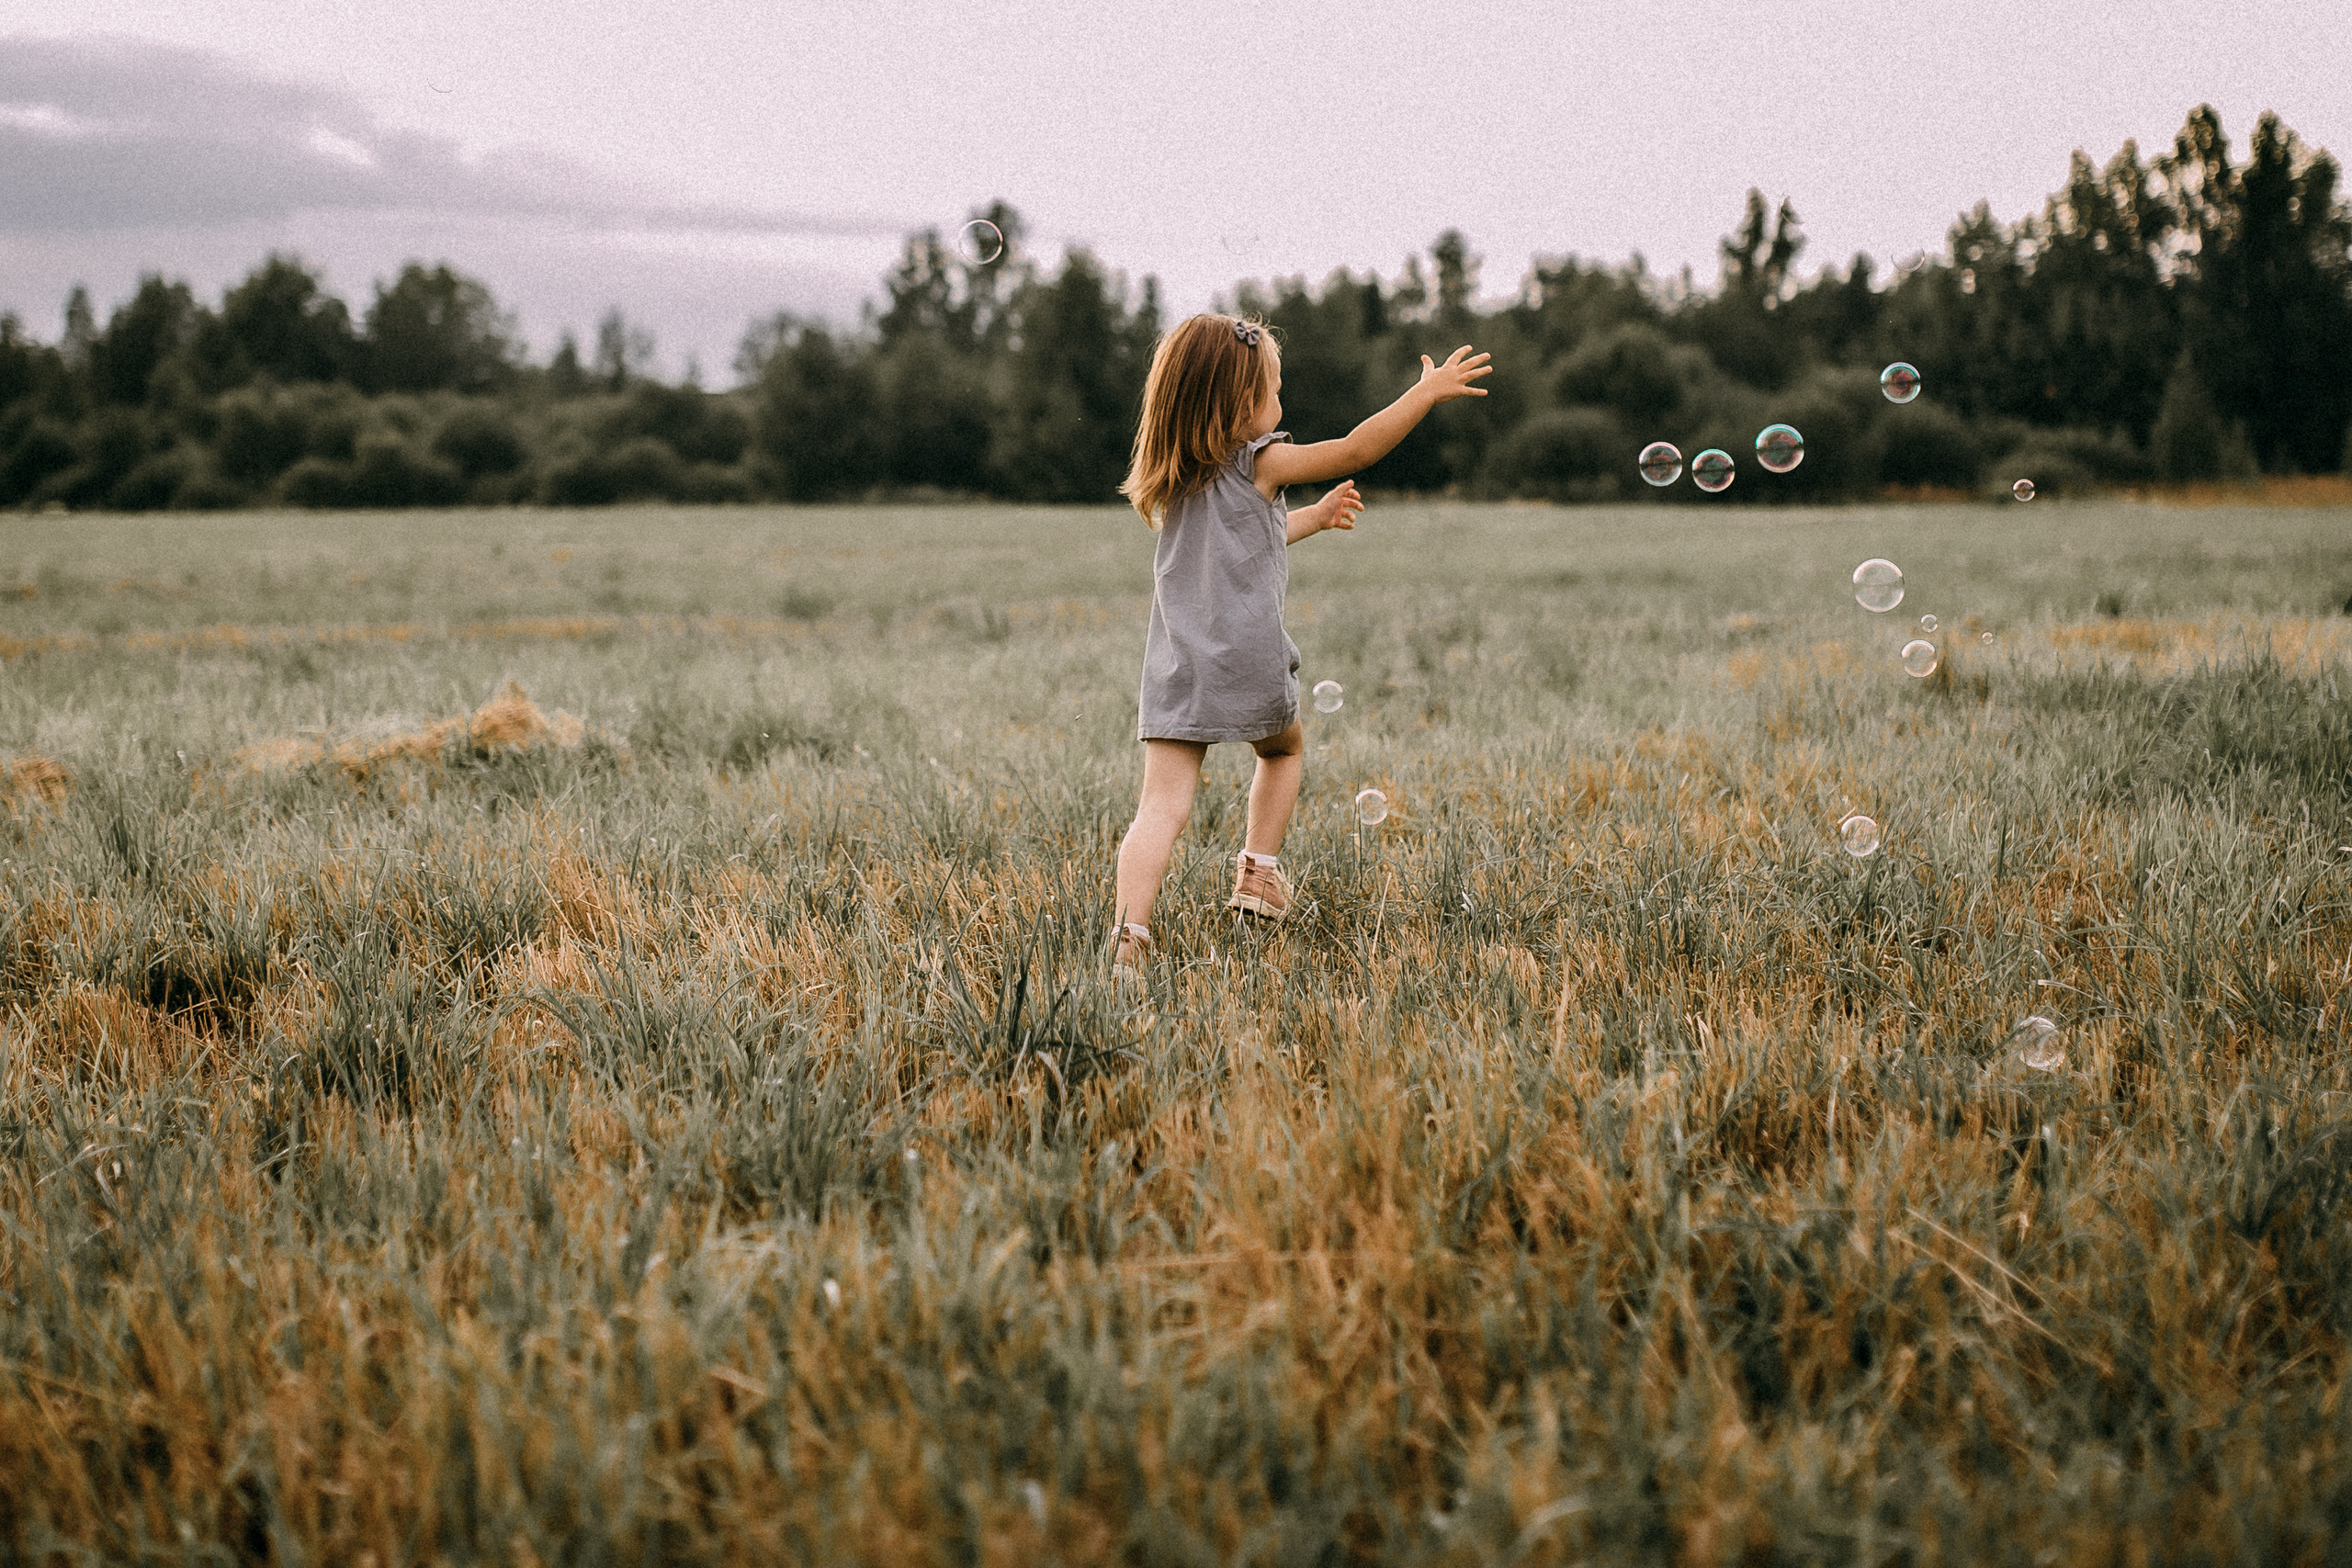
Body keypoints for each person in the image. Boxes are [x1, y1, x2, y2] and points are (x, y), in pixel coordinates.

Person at [1109, 313, 1492, 976]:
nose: (1281, 403)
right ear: (1242, 403)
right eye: (1275, 390)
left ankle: (1128, 938)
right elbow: (1355, 449)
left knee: (1160, 806)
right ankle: (1258, 874)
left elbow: (1245, 540)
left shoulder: (1178, 478)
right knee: (1283, 749)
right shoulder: (1261, 460)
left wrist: (1312, 517)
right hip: (1249, 659)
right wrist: (1423, 394)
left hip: (1178, 666)